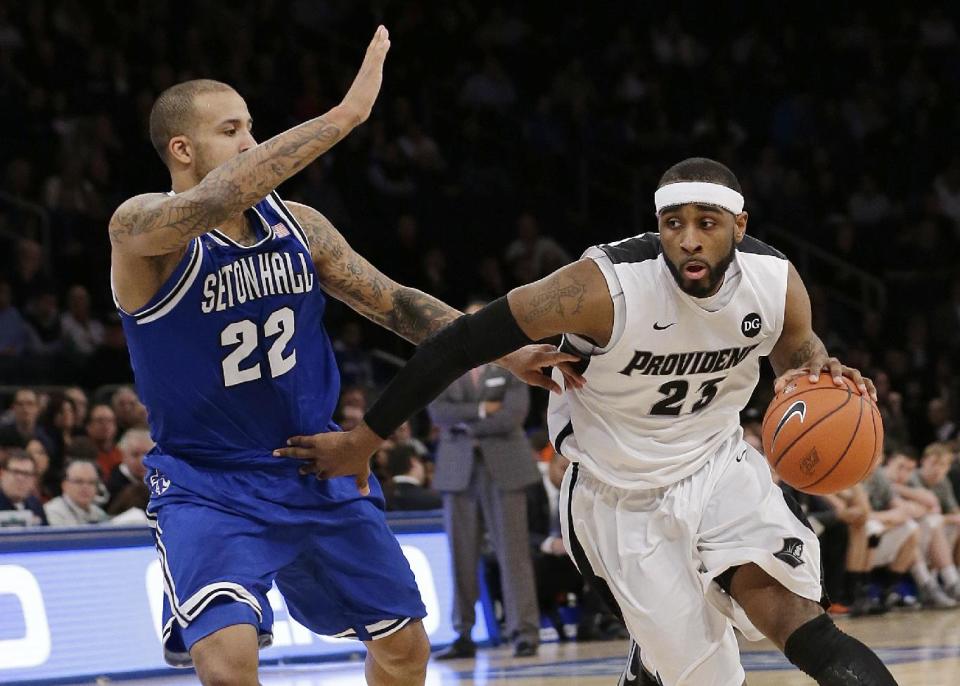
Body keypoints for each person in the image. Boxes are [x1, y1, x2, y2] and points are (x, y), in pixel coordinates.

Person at [279, 158, 900, 685]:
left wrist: (816, 374)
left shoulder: (774, 281)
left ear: (739, 227)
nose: (687, 239)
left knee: (795, 616)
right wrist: (368, 438)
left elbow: (797, 349)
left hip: (717, 466)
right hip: (618, 496)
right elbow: (461, 342)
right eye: (672, 224)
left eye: (706, 225)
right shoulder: (602, 287)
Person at [108, 27, 572, 686]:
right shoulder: (140, 231)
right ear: (181, 148)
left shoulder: (298, 224)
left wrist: (504, 352)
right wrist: (345, 117)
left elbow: (396, 304)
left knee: (406, 649)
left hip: (316, 465)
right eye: (231, 131)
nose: (251, 143)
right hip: (209, 483)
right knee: (228, 666)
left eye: (251, 128)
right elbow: (211, 200)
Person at [429, 302, 542, 659]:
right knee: (460, 556)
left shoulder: (513, 358)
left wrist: (464, 425)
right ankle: (463, 633)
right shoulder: (446, 360)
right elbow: (437, 412)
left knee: (514, 555)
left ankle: (524, 632)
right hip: (457, 469)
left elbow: (513, 415)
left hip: (504, 467)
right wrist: (480, 412)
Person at [44, 459, 109, 526]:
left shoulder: (99, 514)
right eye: (79, 481)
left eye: (91, 482)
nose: (85, 487)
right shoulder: (53, 512)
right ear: (64, 485)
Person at [0, 451, 48, 527]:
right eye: (15, 472)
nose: (21, 478)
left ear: (34, 480)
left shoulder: (35, 505)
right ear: (2, 474)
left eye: (26, 474)